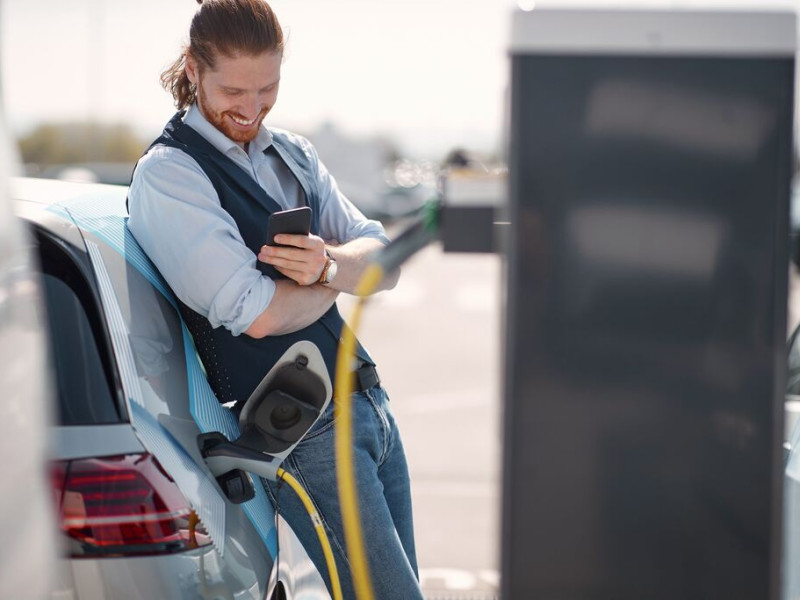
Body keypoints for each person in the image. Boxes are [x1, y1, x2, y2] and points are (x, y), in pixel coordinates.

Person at [127, 1, 424, 598]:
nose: (251, 108)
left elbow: (384, 262)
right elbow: (258, 314)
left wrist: (330, 263)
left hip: (370, 407)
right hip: (306, 434)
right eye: (234, 90)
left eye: (268, 88)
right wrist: (333, 274)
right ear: (193, 67)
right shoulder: (170, 174)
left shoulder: (292, 151)